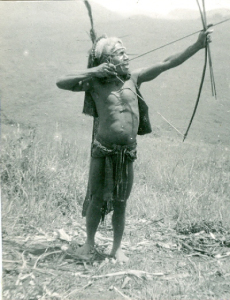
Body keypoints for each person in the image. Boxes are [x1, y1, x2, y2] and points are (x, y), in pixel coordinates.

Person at [56, 29, 212, 262]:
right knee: (97, 198)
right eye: (120, 53)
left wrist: (197, 45)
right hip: (103, 148)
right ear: (107, 61)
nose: (127, 57)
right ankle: (89, 243)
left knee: (121, 201)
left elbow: (166, 63)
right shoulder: (95, 83)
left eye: (125, 52)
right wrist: (94, 70)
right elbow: (61, 81)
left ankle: (117, 248)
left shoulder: (134, 77)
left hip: (127, 152)